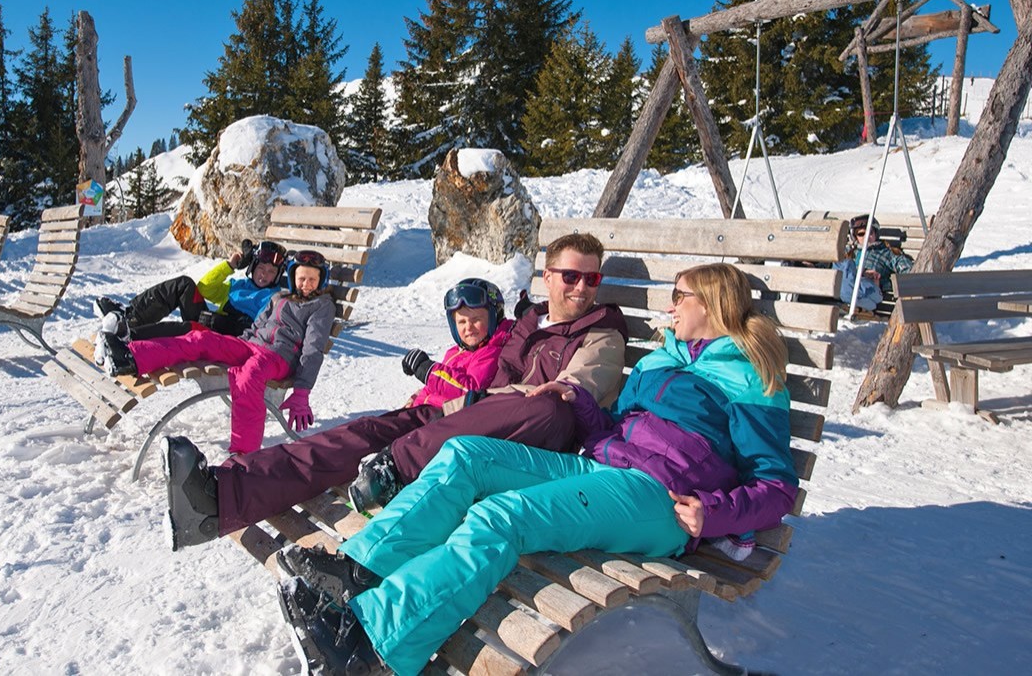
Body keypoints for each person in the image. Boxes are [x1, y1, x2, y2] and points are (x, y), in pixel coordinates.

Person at [276, 263, 798, 676]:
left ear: (712, 302)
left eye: (680, 296)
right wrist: (579, 401)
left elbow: (776, 485)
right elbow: (616, 429)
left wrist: (715, 512)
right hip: (602, 468)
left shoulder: (750, 376)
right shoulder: (661, 360)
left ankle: (371, 644)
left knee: (503, 516)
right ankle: (358, 572)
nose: (671, 306)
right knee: (466, 456)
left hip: (658, 499)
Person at [160, 232, 628, 551]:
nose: (582, 288)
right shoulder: (524, 326)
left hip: (521, 444)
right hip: (459, 416)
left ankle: (395, 468)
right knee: (355, 436)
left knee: (548, 406)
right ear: (548, 277)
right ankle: (219, 496)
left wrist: (479, 396)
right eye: (572, 276)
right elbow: (481, 362)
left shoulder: (602, 334)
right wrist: (438, 391)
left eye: (592, 279)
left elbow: (575, 388)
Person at [160, 278, 514, 550]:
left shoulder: (493, 353)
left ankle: (223, 496)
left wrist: (428, 370)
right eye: (461, 321)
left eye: (476, 319)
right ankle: (227, 487)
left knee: (340, 447)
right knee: (342, 440)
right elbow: (446, 388)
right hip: (421, 421)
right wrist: (419, 394)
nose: (468, 327)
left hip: (437, 431)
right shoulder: (462, 351)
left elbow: (469, 391)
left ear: (494, 318)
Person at [99, 250, 336, 455]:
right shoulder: (279, 297)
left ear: (321, 280)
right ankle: (130, 357)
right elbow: (256, 327)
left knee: (249, 375)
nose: (306, 284)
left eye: (312, 279)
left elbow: (313, 348)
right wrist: (232, 346)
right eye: (301, 278)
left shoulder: (322, 305)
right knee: (202, 339)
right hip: (252, 346)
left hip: (279, 358)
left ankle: (244, 453)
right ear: (293, 278)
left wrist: (302, 391)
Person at [93, 239, 287, 345]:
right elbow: (205, 288)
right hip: (211, 326)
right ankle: (130, 317)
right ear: (252, 267)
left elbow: (260, 328)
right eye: (261, 268)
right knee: (184, 284)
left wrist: (226, 324)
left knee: (187, 328)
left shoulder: (274, 298)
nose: (264, 275)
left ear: (278, 275)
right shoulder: (239, 285)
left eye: (271, 271)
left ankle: (129, 336)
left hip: (225, 340)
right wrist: (228, 266)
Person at [847, 213, 913, 296]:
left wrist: (880, 281)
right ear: (855, 237)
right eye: (861, 234)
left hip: (868, 293)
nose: (866, 237)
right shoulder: (850, 252)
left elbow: (908, 271)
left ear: (876, 233)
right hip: (845, 289)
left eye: (870, 233)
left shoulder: (887, 252)